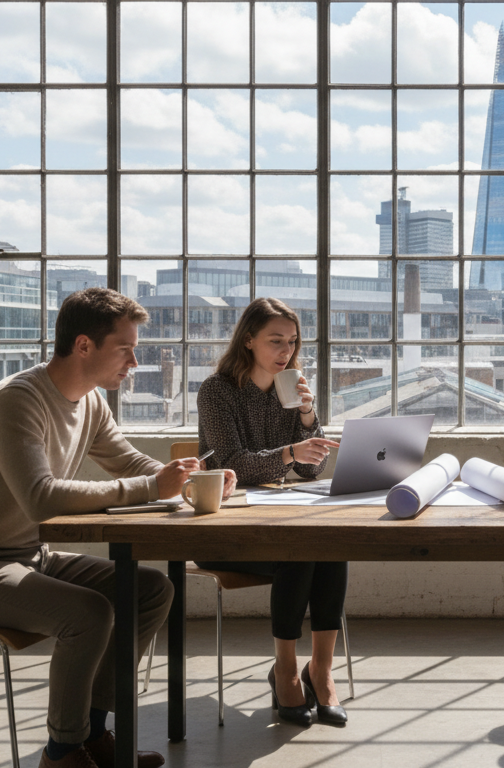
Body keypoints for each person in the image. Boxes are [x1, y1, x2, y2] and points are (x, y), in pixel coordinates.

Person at [0, 287, 234, 768]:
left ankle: (91, 733)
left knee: (150, 590)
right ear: (84, 345)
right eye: (125, 349)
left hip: (28, 557)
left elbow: (128, 463)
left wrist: (190, 483)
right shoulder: (16, 402)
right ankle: (61, 751)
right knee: (88, 613)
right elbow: (41, 497)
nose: (134, 361)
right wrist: (153, 485)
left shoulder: (90, 403)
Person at [193, 297, 348, 727]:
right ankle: (284, 670)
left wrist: (306, 415)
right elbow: (230, 465)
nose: (286, 351)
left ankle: (320, 671)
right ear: (248, 340)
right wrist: (290, 451)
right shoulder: (217, 391)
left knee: (332, 545)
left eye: (292, 342)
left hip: (277, 516)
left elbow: (309, 468)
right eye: (275, 341)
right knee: (299, 550)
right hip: (224, 530)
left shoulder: (289, 389)